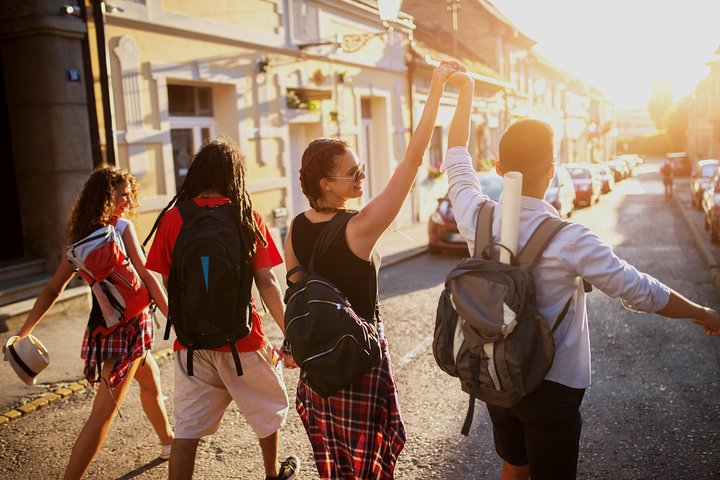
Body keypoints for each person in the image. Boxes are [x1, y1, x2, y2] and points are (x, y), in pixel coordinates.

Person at [440, 68, 720, 480]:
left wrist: (464, 90)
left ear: (498, 168)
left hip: (492, 371)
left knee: (514, 466)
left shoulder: (474, 214)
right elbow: (639, 290)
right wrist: (702, 312)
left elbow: (456, 156)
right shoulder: (570, 239)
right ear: (552, 169)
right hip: (552, 384)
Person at [282, 60, 461, 479]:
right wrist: (435, 88)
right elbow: (413, 161)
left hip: (318, 371)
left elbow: (296, 296)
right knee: (369, 469)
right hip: (359, 362)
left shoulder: (293, 229)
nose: (362, 178)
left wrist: (298, 348)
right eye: (353, 174)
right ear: (326, 184)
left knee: (336, 469)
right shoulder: (358, 229)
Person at [4, 165, 174, 479]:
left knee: (150, 381)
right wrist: (174, 319)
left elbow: (53, 288)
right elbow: (147, 274)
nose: (127, 200)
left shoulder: (76, 241)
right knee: (102, 416)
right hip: (130, 330)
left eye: (128, 193)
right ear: (104, 197)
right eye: (120, 194)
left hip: (107, 329)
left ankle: (168, 444)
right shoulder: (121, 229)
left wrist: (23, 332)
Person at [145, 140, 299, 480]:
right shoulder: (246, 216)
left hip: (191, 346)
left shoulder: (173, 219)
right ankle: (272, 473)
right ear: (235, 176)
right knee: (267, 413)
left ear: (197, 173)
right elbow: (267, 282)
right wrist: (292, 332)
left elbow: (169, 280)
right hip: (243, 338)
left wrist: (189, 323)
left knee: (186, 433)